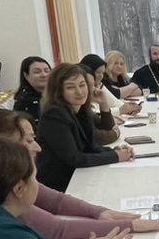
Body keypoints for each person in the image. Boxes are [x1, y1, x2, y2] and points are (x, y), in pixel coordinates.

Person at [0, 109, 159, 237]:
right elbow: (57, 229)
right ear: (3, 146)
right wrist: (130, 225)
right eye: (29, 141)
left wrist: (99, 212)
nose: (38, 147)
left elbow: (56, 201)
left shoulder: (7, 176)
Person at [36, 61, 131, 191]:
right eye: (70, 87)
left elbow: (90, 146)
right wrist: (115, 156)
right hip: (60, 185)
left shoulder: (80, 109)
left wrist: (115, 151)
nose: (79, 92)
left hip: (79, 176)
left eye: (82, 85)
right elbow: (74, 158)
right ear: (58, 91)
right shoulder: (54, 115)